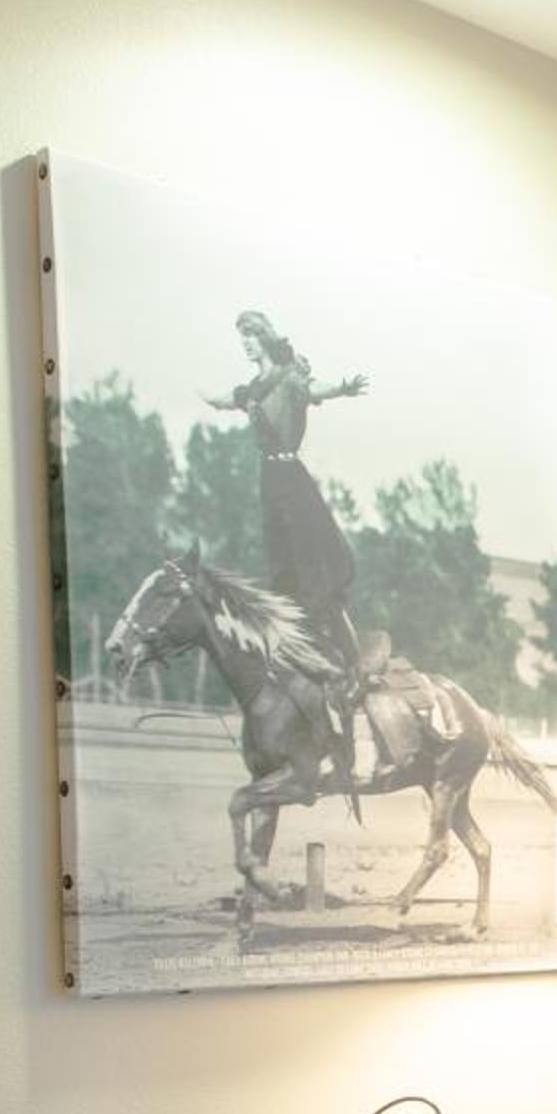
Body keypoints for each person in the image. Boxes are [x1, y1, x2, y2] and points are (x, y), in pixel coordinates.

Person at [203, 309, 370, 781]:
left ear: (265, 337)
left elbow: (315, 391)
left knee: (316, 574)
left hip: (292, 481)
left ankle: (352, 668)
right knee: (283, 578)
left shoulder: (290, 377)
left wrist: (343, 388)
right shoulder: (252, 388)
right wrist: (206, 398)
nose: (246, 344)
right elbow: (227, 401)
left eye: (251, 336)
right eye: (241, 338)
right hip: (269, 484)